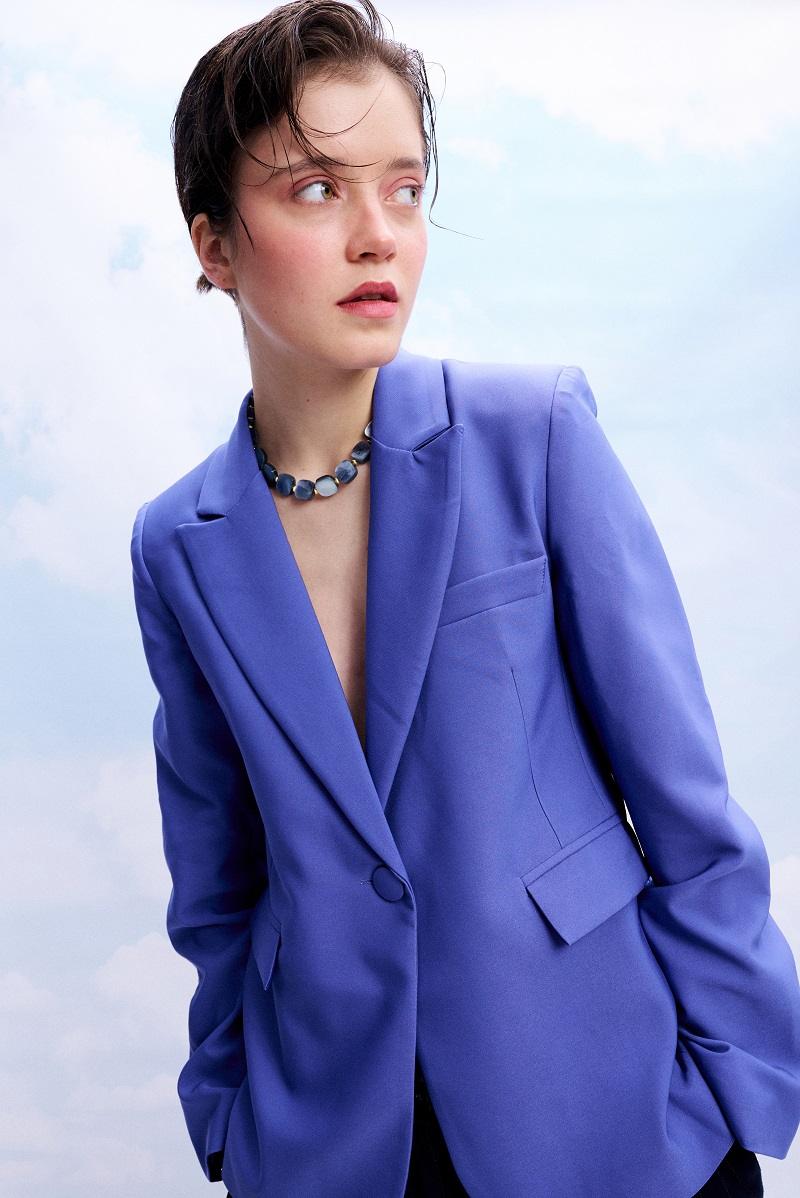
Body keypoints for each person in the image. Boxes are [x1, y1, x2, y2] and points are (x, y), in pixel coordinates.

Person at [130, 2, 800, 1194]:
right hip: (332, 1139)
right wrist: (228, 1116)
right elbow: (217, 886)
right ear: (215, 245)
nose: (377, 236)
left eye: (402, 189)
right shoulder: (178, 545)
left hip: (609, 1113)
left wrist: (738, 1082)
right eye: (317, 191)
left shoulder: (530, 434)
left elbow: (686, 806)